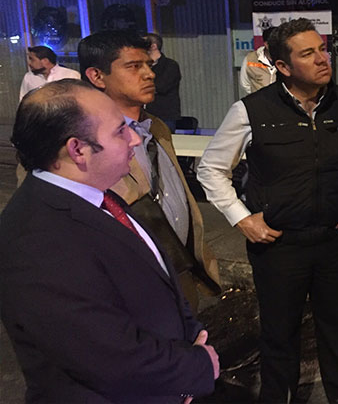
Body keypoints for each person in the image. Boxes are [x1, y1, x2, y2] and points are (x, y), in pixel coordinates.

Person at [197, 18, 338, 403]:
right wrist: (241, 218)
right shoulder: (251, 110)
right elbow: (211, 169)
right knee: (279, 337)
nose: (322, 59)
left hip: (336, 241)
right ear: (282, 66)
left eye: (322, 49)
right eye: (308, 53)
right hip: (278, 245)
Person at [1, 79, 219, 402]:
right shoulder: (34, 238)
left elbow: (159, 279)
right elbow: (104, 354)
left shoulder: (99, 197)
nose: (134, 138)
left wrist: (191, 337)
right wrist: (195, 367)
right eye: (120, 131)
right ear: (77, 150)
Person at [79, 30, 221, 312]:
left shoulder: (156, 127)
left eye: (149, 65)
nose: (149, 74)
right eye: (134, 66)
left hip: (179, 273)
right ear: (97, 76)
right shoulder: (80, 141)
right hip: (129, 289)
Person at [144, 33, 182, 132]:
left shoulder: (170, 65)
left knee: (162, 140)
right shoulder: (143, 66)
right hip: (144, 114)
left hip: (163, 115)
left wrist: (142, 87)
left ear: (154, 46)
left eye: (144, 43)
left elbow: (162, 86)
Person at [239, 26, 277, 94]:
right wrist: (258, 97)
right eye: (277, 44)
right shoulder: (250, 58)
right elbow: (245, 84)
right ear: (266, 44)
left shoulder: (287, 59)